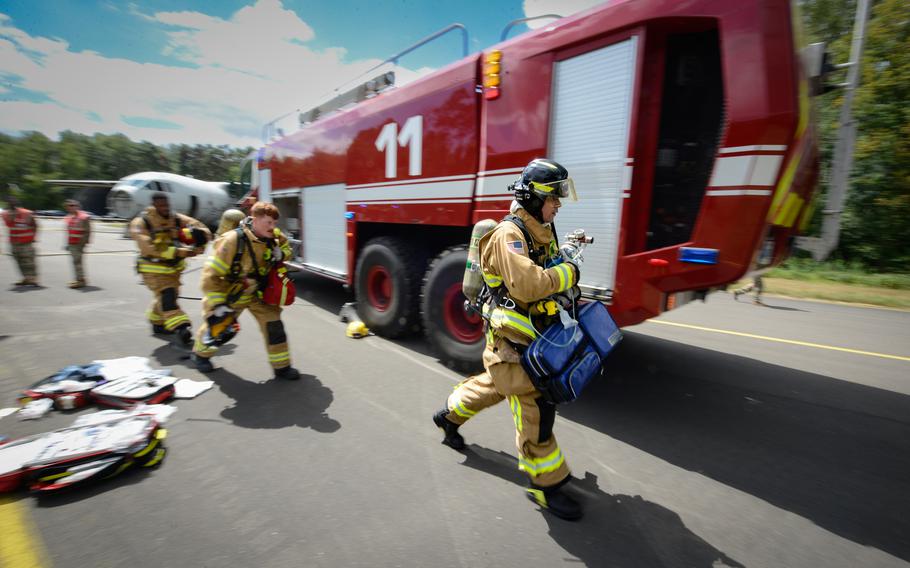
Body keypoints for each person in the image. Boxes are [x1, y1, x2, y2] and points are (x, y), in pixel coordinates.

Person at [432, 158, 584, 520]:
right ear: (533, 198)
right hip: (512, 345)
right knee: (535, 412)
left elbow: (542, 273)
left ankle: (448, 416)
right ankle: (547, 485)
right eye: (554, 197)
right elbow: (529, 284)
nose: (559, 204)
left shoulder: (540, 231)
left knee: (494, 387)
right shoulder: (509, 235)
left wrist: (562, 262)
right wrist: (570, 271)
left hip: (526, 340)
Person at [191, 201, 299, 380]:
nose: (273, 227)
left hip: (258, 294)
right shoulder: (232, 240)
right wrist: (218, 305)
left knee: (274, 326)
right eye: (268, 223)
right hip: (232, 293)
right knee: (219, 325)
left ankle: (282, 367)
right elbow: (210, 275)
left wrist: (283, 254)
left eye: (274, 223)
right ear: (255, 219)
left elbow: (288, 249)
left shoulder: (274, 236)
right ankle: (200, 355)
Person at [130, 192, 211, 348]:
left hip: (173, 270)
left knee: (166, 295)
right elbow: (149, 246)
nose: (165, 208)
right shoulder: (141, 223)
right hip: (152, 269)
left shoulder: (176, 218)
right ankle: (181, 327)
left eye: (167, 205)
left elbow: (200, 227)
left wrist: (200, 239)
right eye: (161, 206)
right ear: (154, 205)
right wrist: (180, 252)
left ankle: (156, 322)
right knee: (167, 296)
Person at [2, 195, 39, 286]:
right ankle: (26, 278)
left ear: (17, 202)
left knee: (29, 261)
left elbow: (35, 225)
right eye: (9, 202)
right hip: (14, 242)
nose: (11, 203)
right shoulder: (6, 214)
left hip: (26, 242)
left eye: (13, 201)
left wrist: (33, 237)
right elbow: (9, 224)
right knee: (18, 261)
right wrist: (12, 213)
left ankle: (33, 279)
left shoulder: (26, 213)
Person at [63, 199, 91, 288]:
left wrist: (82, 244)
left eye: (73, 205)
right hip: (72, 243)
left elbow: (88, 232)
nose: (70, 207)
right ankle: (79, 279)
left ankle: (81, 281)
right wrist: (68, 244)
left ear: (77, 206)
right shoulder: (69, 217)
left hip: (79, 244)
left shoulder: (84, 217)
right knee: (75, 262)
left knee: (77, 262)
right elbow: (69, 232)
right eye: (69, 206)